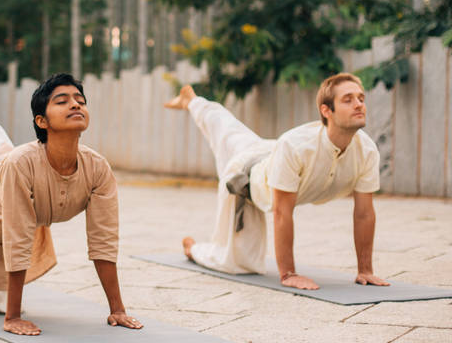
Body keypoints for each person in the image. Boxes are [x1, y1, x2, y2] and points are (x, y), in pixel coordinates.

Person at [0, 73, 143, 336]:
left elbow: (104, 238)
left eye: (80, 100)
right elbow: (19, 234)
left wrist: (118, 309)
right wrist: (12, 317)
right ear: (41, 121)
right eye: (62, 101)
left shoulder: (98, 168)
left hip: (3, 168)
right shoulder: (20, 163)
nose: (76, 105)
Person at [164, 72, 389, 290]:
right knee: (236, 263)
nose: (359, 104)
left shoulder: (367, 150)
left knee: (229, 130)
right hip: (247, 175)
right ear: (326, 110)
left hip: (271, 153)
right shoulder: (295, 146)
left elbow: (364, 213)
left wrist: (365, 270)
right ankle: (193, 250)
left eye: (361, 98)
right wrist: (289, 273)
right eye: (347, 100)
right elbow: (282, 211)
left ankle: (191, 101)